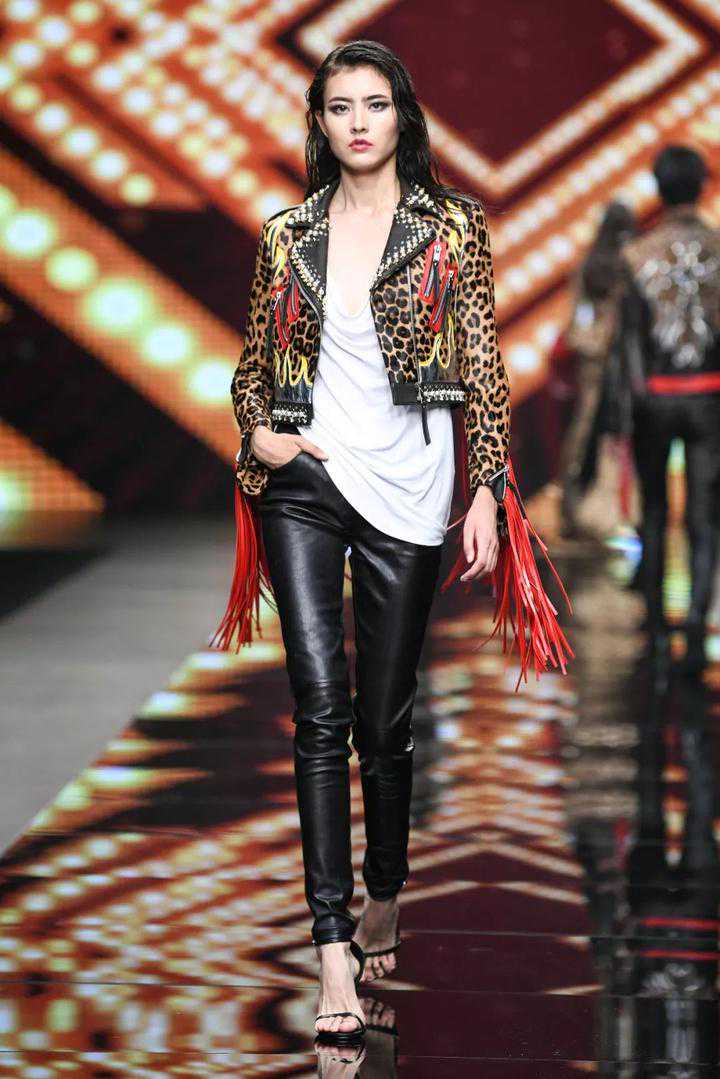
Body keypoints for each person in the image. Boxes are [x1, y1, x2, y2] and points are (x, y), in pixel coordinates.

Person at [210, 39, 572, 1046]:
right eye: (340, 107)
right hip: (306, 477)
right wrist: (260, 430)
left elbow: (484, 363)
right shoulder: (287, 234)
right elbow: (252, 365)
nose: (359, 122)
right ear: (319, 122)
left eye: (375, 104)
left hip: (411, 481)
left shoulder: (452, 226)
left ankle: (384, 887)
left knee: (386, 719)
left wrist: (488, 487)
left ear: (403, 116)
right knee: (319, 704)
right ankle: (332, 945)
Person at [612, 144, 720, 675]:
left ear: (658, 188)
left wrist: (631, 406)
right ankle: (696, 628)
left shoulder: (636, 254)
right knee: (705, 517)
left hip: (654, 396)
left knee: (653, 512)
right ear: (702, 185)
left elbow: (628, 342)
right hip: (709, 396)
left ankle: (656, 628)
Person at [558, 200, 636, 537]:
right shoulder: (610, 266)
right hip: (606, 363)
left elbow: (579, 321)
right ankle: (585, 510)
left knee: (595, 432)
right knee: (593, 432)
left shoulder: (598, 263)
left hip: (606, 362)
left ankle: (594, 510)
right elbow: (582, 317)